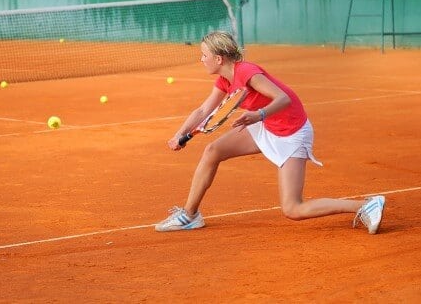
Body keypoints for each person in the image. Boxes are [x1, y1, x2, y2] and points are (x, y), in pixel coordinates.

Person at [155, 31, 385, 234]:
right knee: (213, 151)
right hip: (265, 125)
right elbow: (204, 110)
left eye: (204, 55)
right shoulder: (225, 79)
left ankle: (365, 205)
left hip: (290, 132)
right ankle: (190, 215)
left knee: (293, 209)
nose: (201, 59)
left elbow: (283, 98)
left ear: (219, 58)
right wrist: (179, 134)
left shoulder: (246, 72)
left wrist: (259, 115)